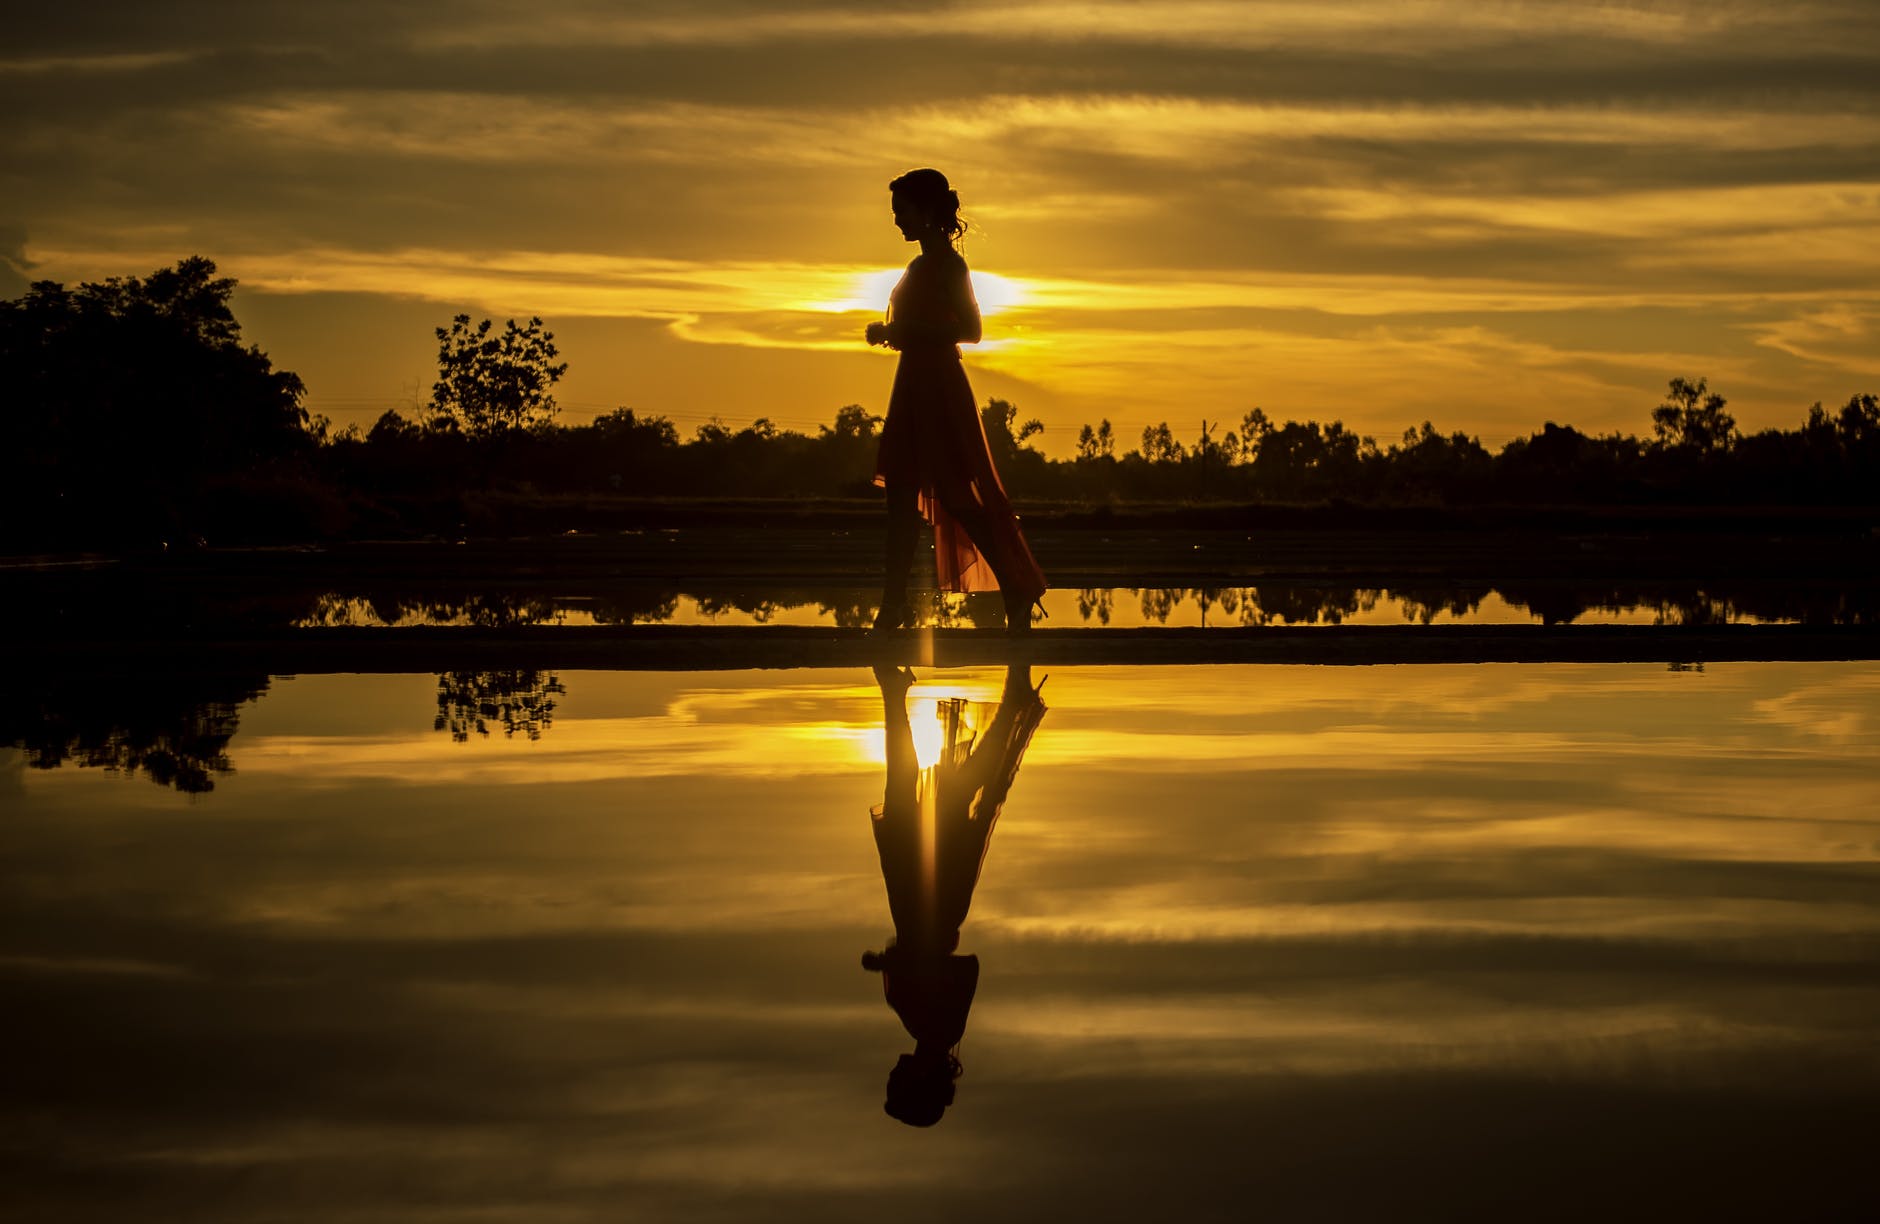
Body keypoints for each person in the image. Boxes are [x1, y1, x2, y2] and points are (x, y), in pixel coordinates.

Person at [863, 663, 1048, 1125]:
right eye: (897, 1082)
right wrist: (899, 961)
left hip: (915, 906)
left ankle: (900, 693)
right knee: (937, 796)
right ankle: (1007, 704)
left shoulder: (927, 1028)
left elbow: (925, 964)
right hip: (935, 904)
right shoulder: (940, 1028)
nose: (892, 1072)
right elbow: (966, 968)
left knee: (915, 796)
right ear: (921, 1081)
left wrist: (892, 959)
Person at [865, 168, 1047, 634]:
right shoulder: (920, 267)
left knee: (958, 497)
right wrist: (891, 336)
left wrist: (901, 332)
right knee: (900, 501)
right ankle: (892, 607)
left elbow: (972, 330)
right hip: (913, 384)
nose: (897, 221)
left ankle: (1017, 585)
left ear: (926, 213)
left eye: (902, 212)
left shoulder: (949, 266)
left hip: (939, 387)